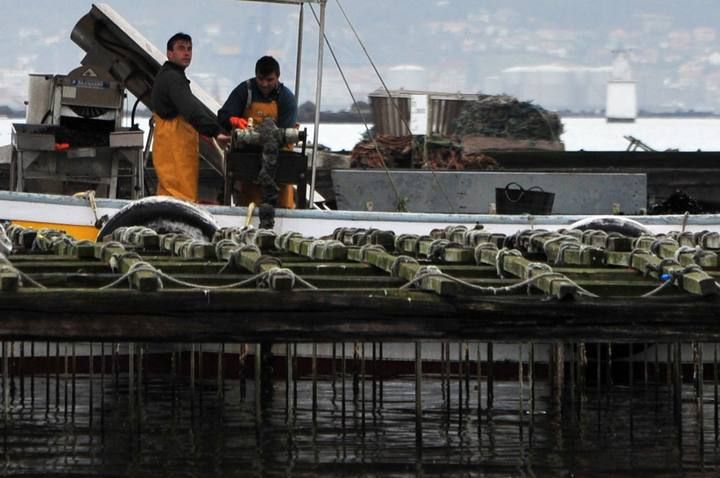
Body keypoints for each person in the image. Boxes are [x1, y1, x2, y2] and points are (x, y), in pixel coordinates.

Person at [151, 32, 230, 202]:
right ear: (169, 53)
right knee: (179, 196)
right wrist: (216, 131)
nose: (187, 53)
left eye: (189, 49)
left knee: (167, 193)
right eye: (181, 48)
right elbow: (191, 108)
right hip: (175, 146)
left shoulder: (169, 75)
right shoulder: (173, 79)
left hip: (170, 144)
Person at [218, 56, 298, 208]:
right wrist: (233, 120)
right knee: (249, 206)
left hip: (280, 161)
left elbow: (285, 136)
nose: (265, 84)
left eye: (270, 79)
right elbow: (223, 115)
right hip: (249, 160)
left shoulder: (287, 98)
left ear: (278, 77)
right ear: (255, 75)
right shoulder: (245, 91)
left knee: (283, 206)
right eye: (261, 79)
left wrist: (265, 138)